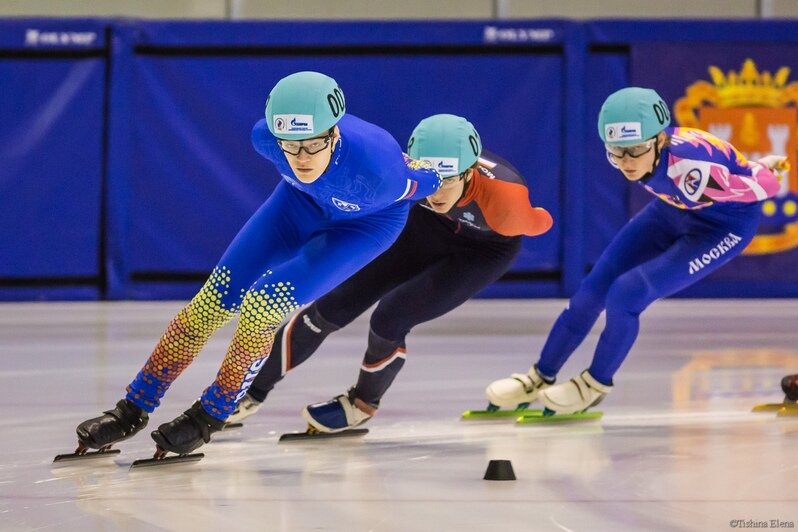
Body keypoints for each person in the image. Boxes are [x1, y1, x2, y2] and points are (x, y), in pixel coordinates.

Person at [70, 71, 441, 457]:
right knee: (210, 303)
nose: (301, 158)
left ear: (334, 134)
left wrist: (443, 174)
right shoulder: (263, 139)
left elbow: (430, 181)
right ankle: (132, 408)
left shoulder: (380, 170)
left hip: (364, 226)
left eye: (313, 144)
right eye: (290, 146)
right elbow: (295, 157)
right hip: (298, 204)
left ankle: (213, 413)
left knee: (262, 306)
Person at [225, 113, 553, 433]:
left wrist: (532, 217)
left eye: (449, 179)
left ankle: (362, 403)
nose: (437, 193)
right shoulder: (400, 171)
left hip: (485, 251)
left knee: (390, 318)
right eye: (433, 180)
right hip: (428, 229)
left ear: (470, 172)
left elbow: (540, 223)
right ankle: (250, 391)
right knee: (333, 304)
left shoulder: (505, 204)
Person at [486, 87, 785, 415]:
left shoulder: (693, 168)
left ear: (659, 140)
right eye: (616, 152)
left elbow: (764, 187)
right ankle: (539, 376)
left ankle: (595, 384)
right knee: (591, 291)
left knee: (627, 294)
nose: (627, 162)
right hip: (671, 211)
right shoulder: (646, 153)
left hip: (722, 228)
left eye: (635, 150)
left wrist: (761, 170)